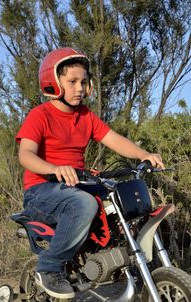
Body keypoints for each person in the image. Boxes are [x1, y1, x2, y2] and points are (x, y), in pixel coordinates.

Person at [16, 47, 164, 299]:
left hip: (75, 185)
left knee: (123, 197)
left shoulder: (85, 116)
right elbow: (26, 154)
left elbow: (113, 139)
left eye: (84, 82)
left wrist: (143, 155)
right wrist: (54, 168)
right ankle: (49, 268)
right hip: (41, 192)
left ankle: (120, 262)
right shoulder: (40, 116)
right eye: (72, 82)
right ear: (54, 83)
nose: (80, 88)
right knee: (84, 203)